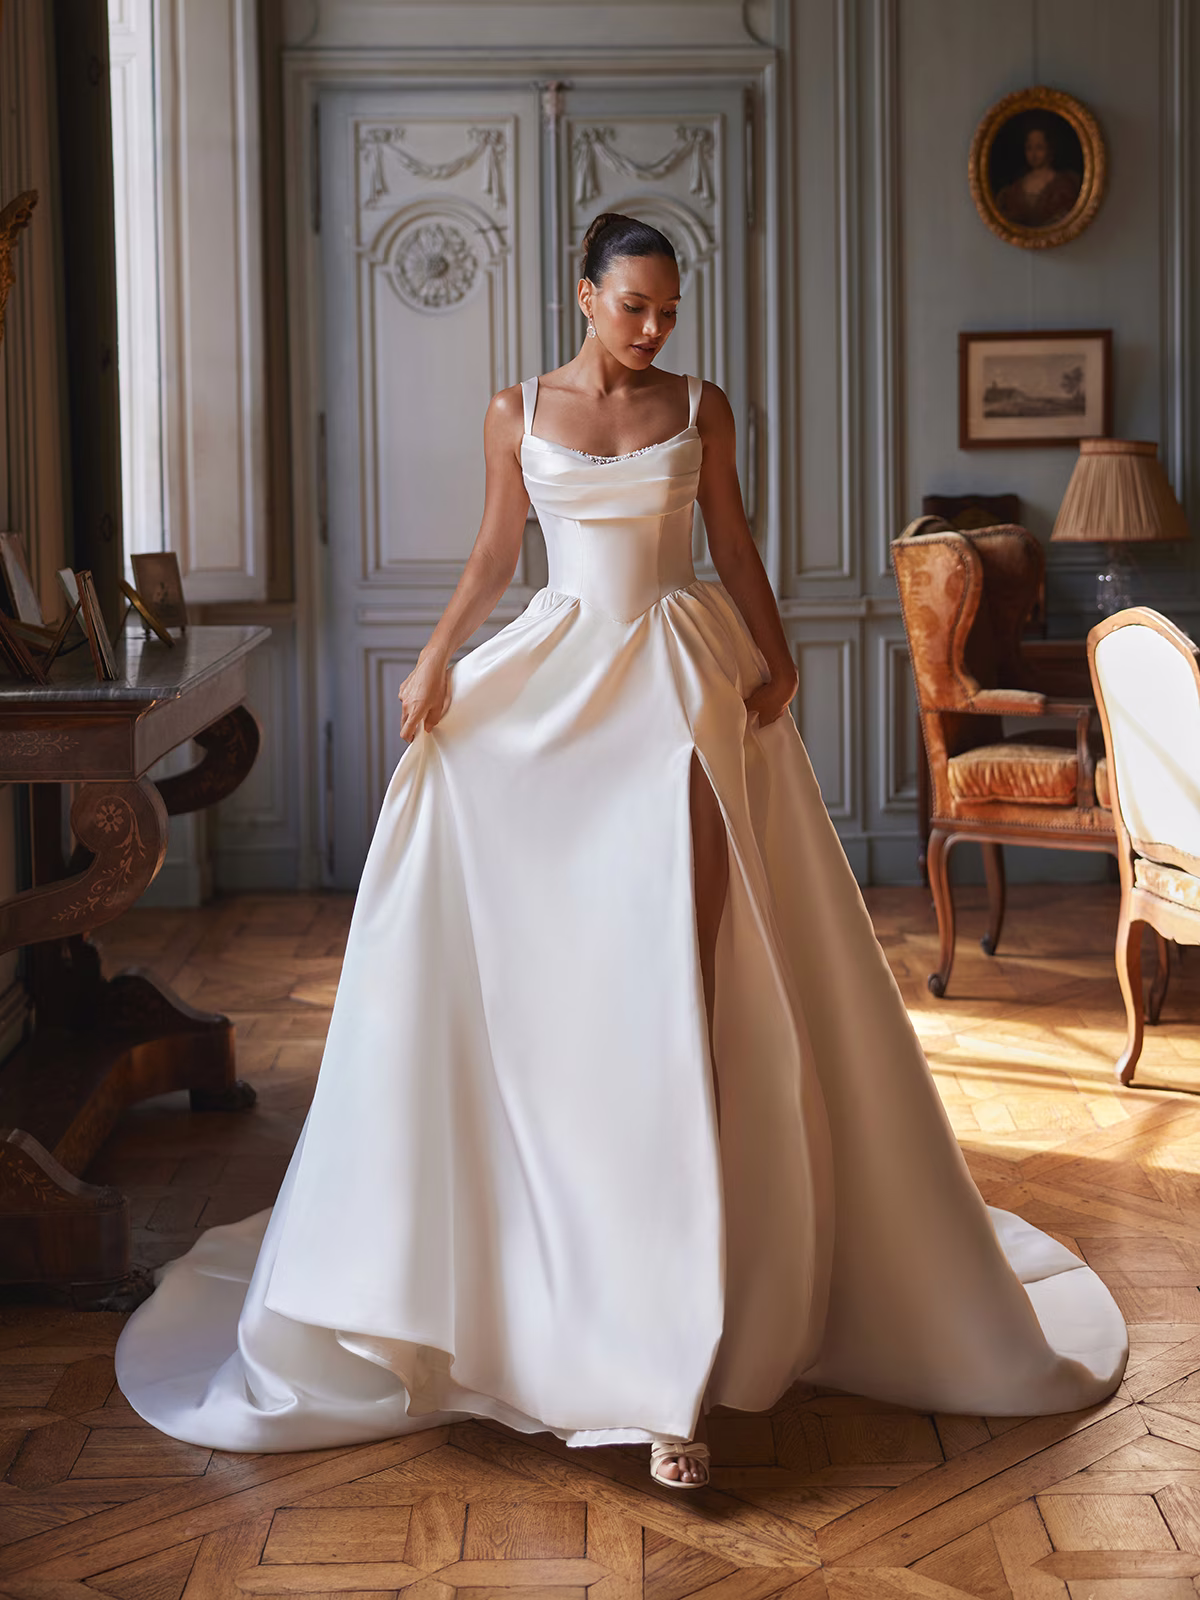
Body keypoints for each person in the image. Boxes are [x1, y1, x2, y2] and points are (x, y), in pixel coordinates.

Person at [115, 211, 1127, 1491]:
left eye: (667, 308)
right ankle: (547, 1274)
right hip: (553, 688)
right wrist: (434, 660)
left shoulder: (701, 404)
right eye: (632, 305)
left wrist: (778, 655)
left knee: (683, 982)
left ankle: (676, 1360)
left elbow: (738, 546)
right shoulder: (513, 410)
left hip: (676, 686)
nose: (652, 329)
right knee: (559, 975)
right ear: (583, 294)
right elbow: (497, 556)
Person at [994, 120, 1082, 229]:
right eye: (1029, 148)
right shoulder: (1017, 185)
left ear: (1050, 149)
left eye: (1039, 147)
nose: (1033, 154)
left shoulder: (1063, 184)